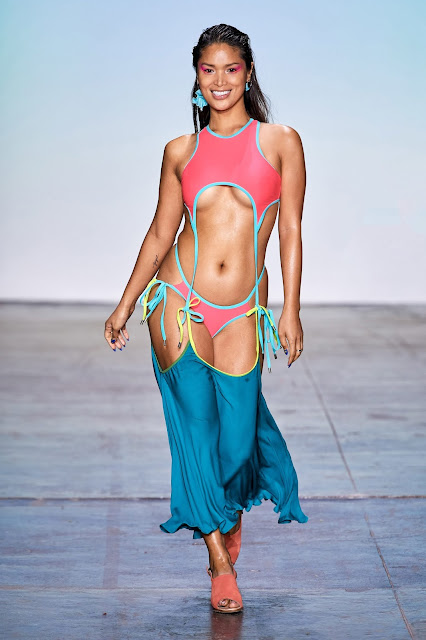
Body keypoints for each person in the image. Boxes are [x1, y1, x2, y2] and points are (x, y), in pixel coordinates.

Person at [104, 23, 308, 614]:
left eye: (231, 68)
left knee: (237, 441)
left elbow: (291, 231)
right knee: (195, 431)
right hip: (178, 299)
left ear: (248, 72)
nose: (220, 80)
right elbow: (160, 231)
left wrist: (291, 309)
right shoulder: (180, 151)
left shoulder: (280, 142)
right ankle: (218, 558)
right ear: (196, 77)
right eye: (208, 69)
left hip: (244, 309)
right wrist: (124, 304)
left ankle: (225, 511)